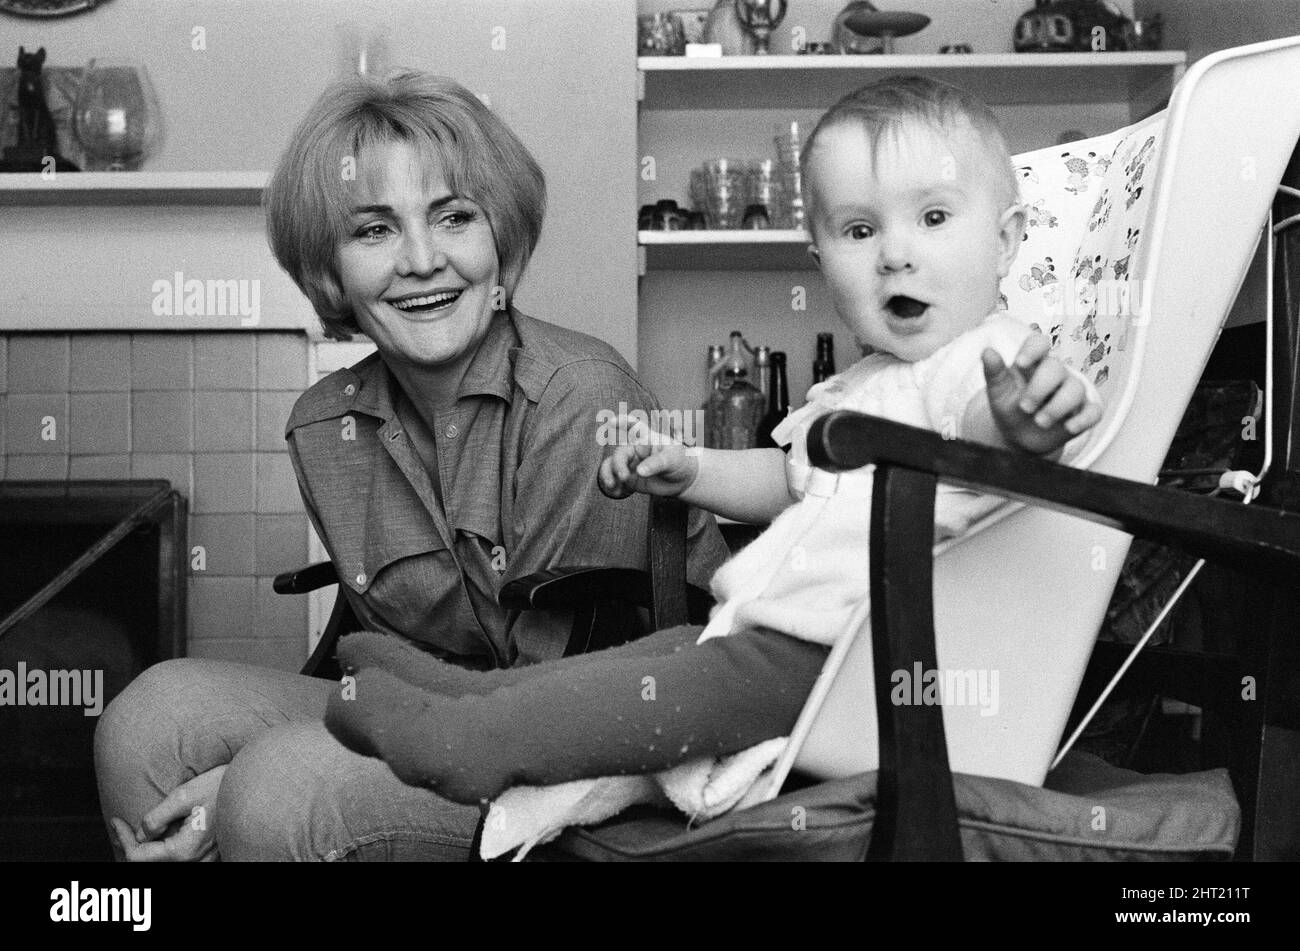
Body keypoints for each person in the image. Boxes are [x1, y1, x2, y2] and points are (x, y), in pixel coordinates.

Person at [321, 75, 1105, 809]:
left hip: (871, 665)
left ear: (1007, 241)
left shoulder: (988, 360)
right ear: (820, 259)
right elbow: (792, 478)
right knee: (663, 655)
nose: (896, 253)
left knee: (668, 688)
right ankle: (464, 692)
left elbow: (983, 430)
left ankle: (476, 739)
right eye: (860, 230)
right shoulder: (866, 385)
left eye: (933, 218)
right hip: (801, 643)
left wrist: (1021, 425)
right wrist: (690, 469)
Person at [92, 72, 727, 861]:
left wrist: (247, 780)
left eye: (454, 216)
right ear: (330, 269)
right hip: (439, 714)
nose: (422, 261)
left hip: (604, 743)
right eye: (374, 231)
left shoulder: (580, 397)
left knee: (278, 787)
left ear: (501, 241)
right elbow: (378, 653)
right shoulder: (324, 426)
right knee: (147, 721)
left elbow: (560, 702)